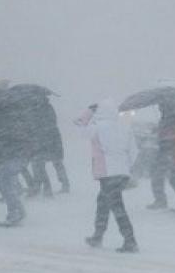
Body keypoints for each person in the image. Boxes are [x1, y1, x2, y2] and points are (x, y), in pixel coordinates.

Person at [77, 101, 139, 252]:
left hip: (107, 173)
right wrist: (125, 167)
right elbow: (134, 151)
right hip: (121, 173)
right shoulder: (124, 127)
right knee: (103, 203)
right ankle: (97, 236)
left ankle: (130, 241)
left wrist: (88, 112)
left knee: (117, 207)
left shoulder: (98, 127)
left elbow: (80, 128)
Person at [0, 87, 34, 227]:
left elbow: (11, 138)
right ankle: (18, 211)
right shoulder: (3, 119)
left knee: (4, 183)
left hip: (15, 155)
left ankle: (15, 213)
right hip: (14, 155)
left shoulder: (4, 121)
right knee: (6, 183)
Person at [26, 91, 69, 197]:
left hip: (49, 139)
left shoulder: (45, 108)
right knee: (39, 163)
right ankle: (41, 186)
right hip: (45, 139)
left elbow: (49, 123)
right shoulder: (36, 108)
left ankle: (63, 184)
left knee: (54, 162)